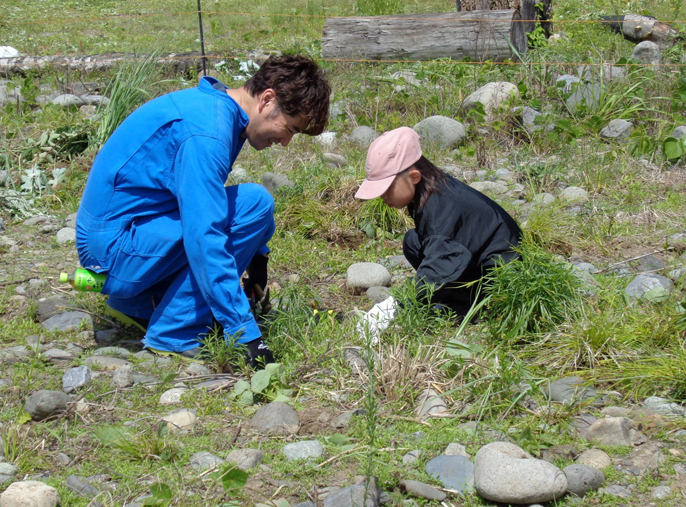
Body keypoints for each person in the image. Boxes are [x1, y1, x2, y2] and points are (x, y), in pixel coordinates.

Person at [76, 55, 330, 366]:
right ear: (267, 99)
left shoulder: (216, 109)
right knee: (254, 204)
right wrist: (245, 334)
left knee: (251, 202)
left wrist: (257, 259)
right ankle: (176, 331)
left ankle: (140, 306)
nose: (287, 142)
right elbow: (204, 237)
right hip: (116, 252)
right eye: (290, 128)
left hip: (124, 237)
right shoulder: (207, 133)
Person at [355, 127, 522, 317]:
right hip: (473, 258)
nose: (382, 195)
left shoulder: (442, 210)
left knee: (432, 264)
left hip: (500, 276)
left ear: (414, 177)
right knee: (413, 241)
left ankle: (467, 307)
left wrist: (395, 306)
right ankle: (452, 298)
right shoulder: (432, 188)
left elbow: (439, 265)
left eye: (387, 188)